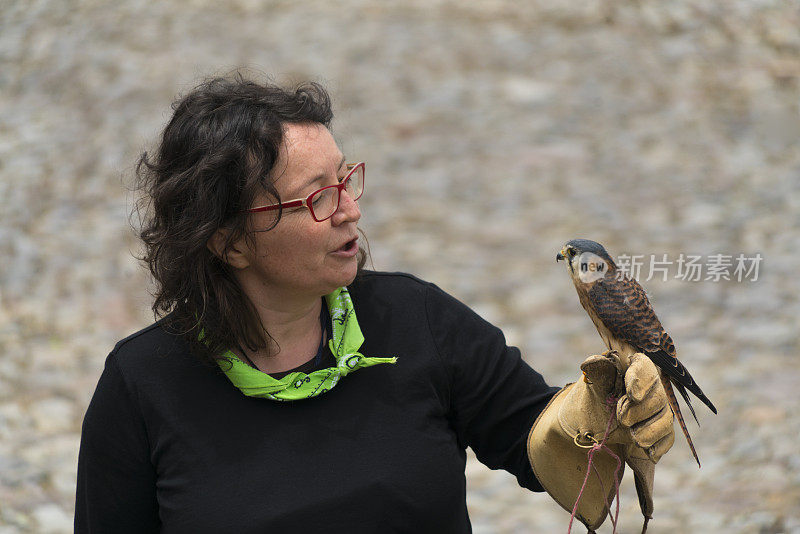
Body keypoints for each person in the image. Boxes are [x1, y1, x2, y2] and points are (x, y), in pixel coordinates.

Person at [75, 74, 675, 533]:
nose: (349, 209)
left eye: (346, 179)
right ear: (229, 240)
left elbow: (538, 437)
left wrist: (602, 422)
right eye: (316, 198)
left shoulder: (417, 319)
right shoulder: (141, 384)